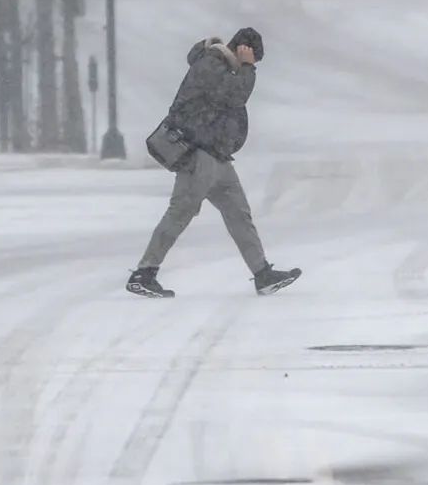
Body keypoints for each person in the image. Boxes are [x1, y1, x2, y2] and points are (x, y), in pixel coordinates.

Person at [128, 28, 300, 298]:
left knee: (239, 214)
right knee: (180, 212)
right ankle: (144, 273)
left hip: (217, 156)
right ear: (243, 50)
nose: (253, 66)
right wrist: (247, 68)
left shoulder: (223, 69)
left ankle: (262, 273)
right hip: (198, 155)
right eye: (253, 59)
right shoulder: (210, 64)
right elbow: (234, 97)